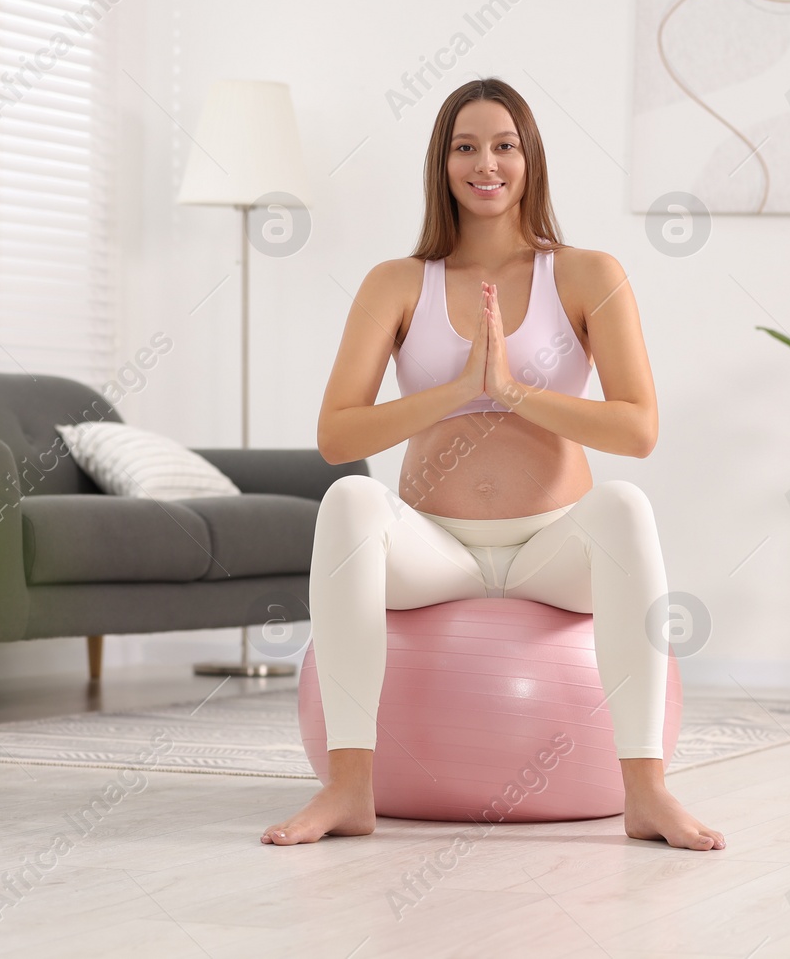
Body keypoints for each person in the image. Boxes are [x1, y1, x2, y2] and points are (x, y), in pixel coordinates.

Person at [261, 77, 724, 851]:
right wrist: (456, 391)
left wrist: (509, 391)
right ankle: (347, 785)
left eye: (504, 145)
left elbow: (637, 428)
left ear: (530, 157)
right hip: (433, 550)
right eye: (465, 147)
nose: (487, 164)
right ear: (441, 165)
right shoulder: (396, 283)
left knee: (625, 506)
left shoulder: (586, 275)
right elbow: (338, 435)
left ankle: (646, 791)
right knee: (348, 498)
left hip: (551, 548)